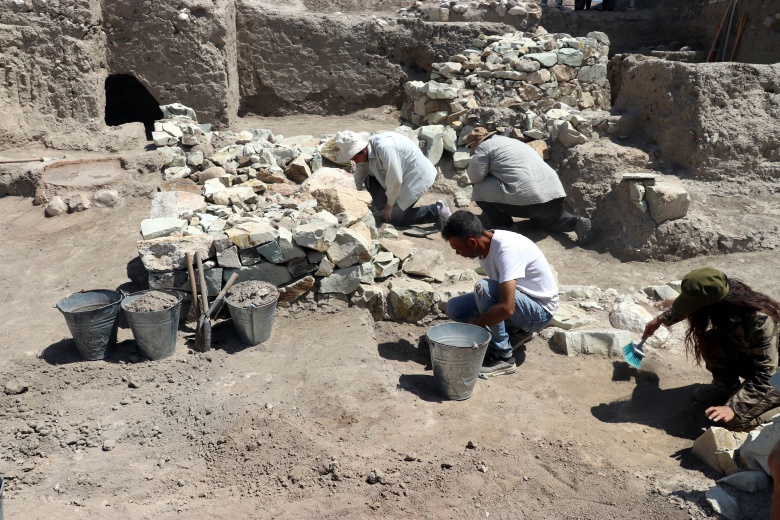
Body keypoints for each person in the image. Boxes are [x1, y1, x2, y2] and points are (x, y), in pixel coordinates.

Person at [643, 267, 780, 432]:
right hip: (755, 362)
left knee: (734, 423)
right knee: (711, 339)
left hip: (775, 377)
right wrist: (660, 320)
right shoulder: (724, 295)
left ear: (711, 305)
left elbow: (767, 374)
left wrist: (734, 408)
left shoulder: (759, 320)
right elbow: (689, 306)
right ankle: (725, 386)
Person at [442, 210, 559, 377]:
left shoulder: (507, 250)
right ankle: (517, 331)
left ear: (472, 242)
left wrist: (476, 324)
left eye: (458, 248)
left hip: (540, 311)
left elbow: (506, 308)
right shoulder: (485, 244)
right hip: (521, 301)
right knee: (454, 308)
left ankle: (503, 357)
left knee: (484, 288)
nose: (457, 253)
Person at [463, 127, 593, 244]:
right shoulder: (512, 142)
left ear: (476, 143)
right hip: (554, 196)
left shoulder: (485, 146)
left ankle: (504, 225)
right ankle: (575, 222)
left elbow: (475, 176)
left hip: (528, 202)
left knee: (479, 187)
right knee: (549, 220)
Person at [335, 130, 451, 228]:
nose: (355, 162)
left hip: (415, 177)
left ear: (363, 150)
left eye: (355, 158)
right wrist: (346, 200)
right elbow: (358, 179)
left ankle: (437, 211)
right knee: (368, 179)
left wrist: (390, 205)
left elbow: (396, 179)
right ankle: (383, 208)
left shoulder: (384, 148)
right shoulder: (362, 154)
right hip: (396, 178)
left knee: (393, 218)